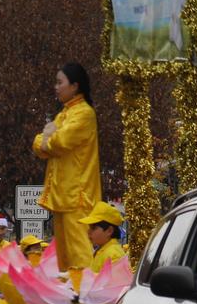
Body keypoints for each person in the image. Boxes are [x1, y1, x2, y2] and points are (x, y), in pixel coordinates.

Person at [31, 63, 101, 270]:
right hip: (62, 196)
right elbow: (39, 145)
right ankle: (72, 298)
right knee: (64, 261)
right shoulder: (64, 115)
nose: (56, 87)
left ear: (75, 86)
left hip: (77, 197)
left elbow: (59, 142)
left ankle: (84, 298)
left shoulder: (84, 114)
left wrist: (48, 137)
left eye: (60, 82)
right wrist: (48, 137)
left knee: (80, 257)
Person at [78, 202, 126, 272]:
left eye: (93, 228)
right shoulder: (101, 250)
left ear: (109, 231)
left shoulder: (113, 254)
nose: (89, 232)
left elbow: (114, 281)